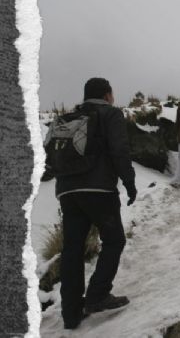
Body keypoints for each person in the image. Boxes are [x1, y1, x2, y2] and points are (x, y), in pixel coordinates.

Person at [55, 78, 136, 329]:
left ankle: (70, 312)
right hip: (99, 189)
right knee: (114, 240)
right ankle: (97, 295)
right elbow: (119, 150)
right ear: (107, 94)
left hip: (67, 191)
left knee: (72, 249)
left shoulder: (70, 118)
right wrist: (129, 182)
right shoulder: (110, 114)